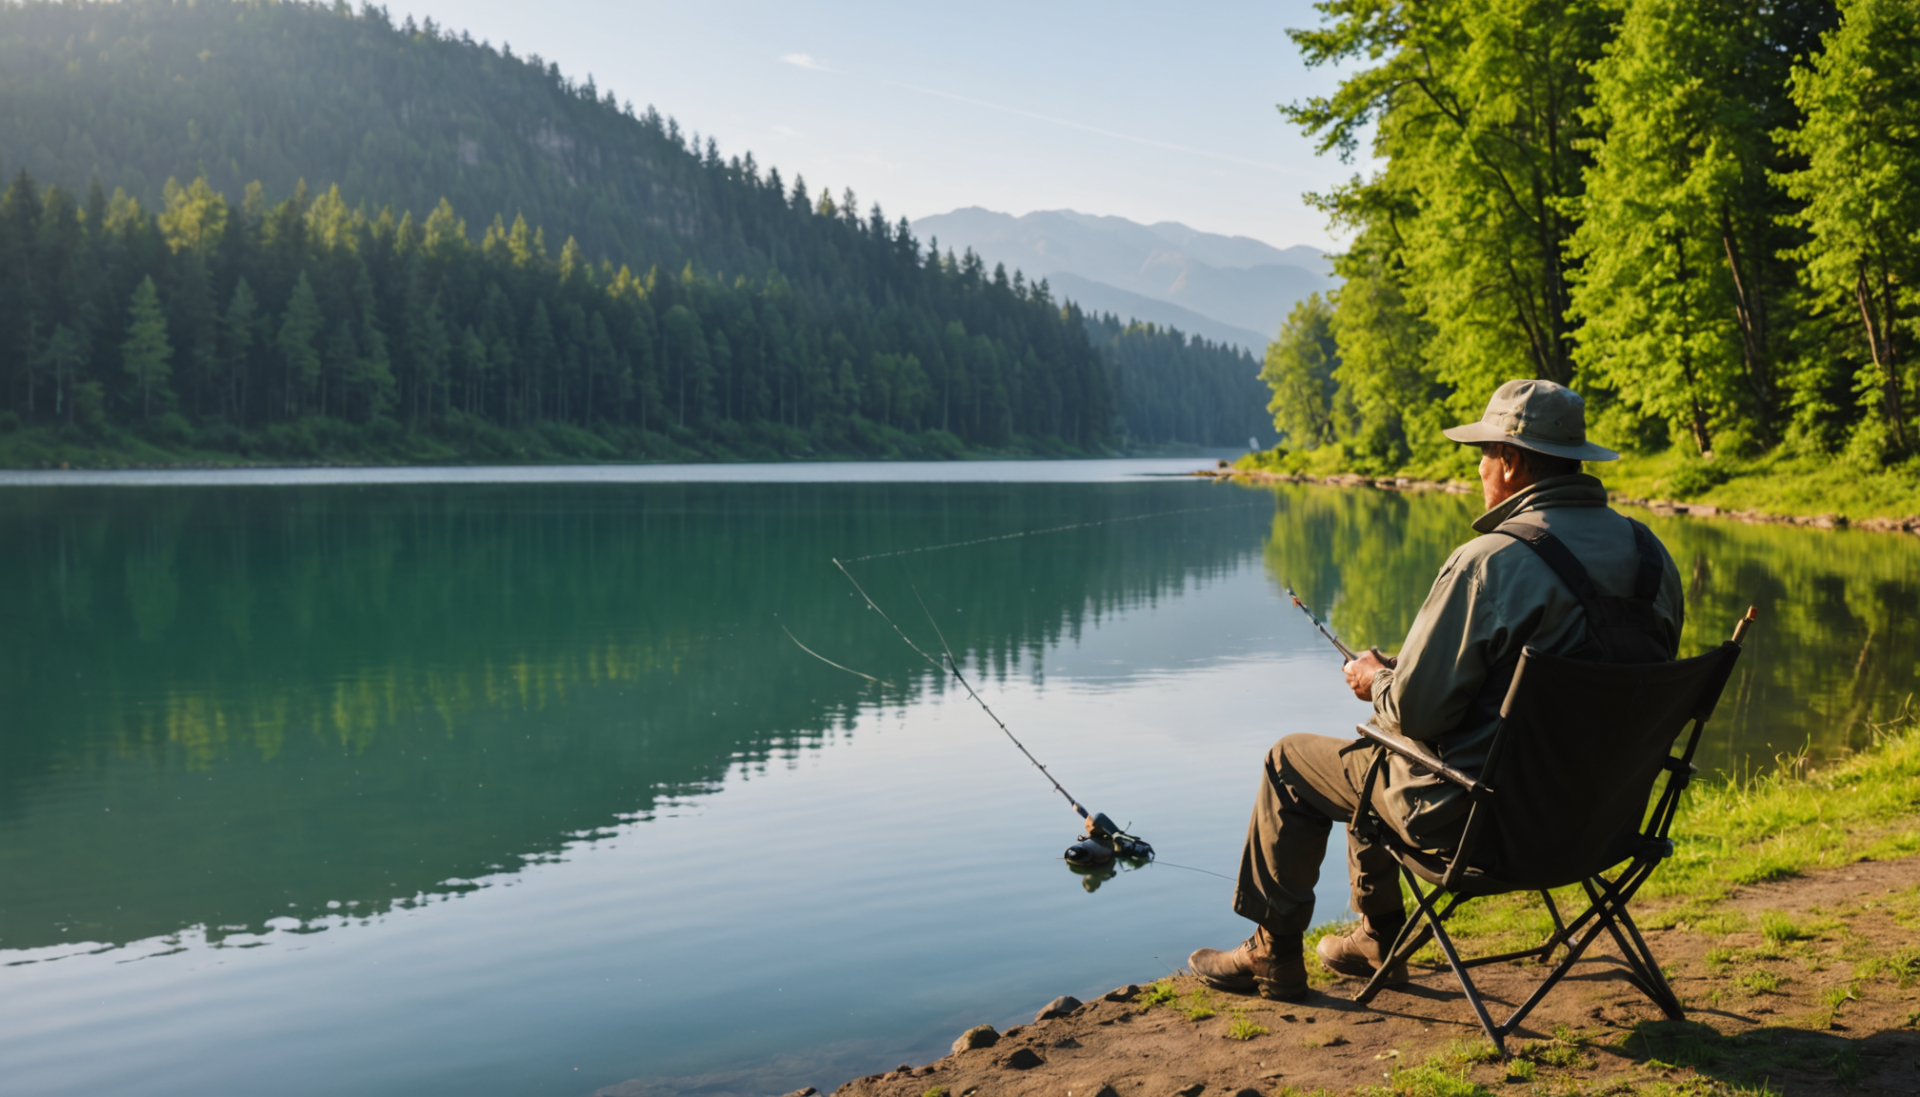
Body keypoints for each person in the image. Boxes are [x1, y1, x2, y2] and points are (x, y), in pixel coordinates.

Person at [1188, 379, 1685, 1001]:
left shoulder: (1490, 561)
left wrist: (1377, 680)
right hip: (1605, 824)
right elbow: (1591, 678)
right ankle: (1375, 938)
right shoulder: (1651, 556)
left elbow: (1417, 713)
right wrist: (1408, 675)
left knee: (1299, 759)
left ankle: (1277, 954)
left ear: (1511, 461)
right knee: (1378, 750)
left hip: (1483, 829)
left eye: (1483, 454)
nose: (1479, 469)